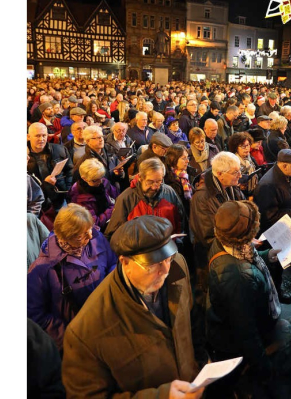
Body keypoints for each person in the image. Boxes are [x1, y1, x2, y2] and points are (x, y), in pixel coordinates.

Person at [62, 216, 204, 399]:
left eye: (167, 258)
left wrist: (199, 365)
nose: (165, 270)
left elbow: (191, 320)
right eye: (152, 265)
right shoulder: (85, 331)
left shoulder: (178, 266)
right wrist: (159, 396)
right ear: (125, 262)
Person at [205, 200, 284, 398]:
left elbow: (250, 257)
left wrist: (267, 256)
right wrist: (264, 367)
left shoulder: (228, 244)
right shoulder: (237, 277)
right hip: (233, 344)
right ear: (246, 234)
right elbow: (246, 332)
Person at [27, 203, 117, 350]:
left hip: (106, 322)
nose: (90, 235)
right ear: (66, 236)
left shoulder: (96, 238)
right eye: (82, 234)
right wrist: (69, 336)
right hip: (78, 340)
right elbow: (35, 315)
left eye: (90, 228)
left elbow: (112, 262)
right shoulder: (42, 269)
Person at [189, 152, 245, 309]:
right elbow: (206, 235)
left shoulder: (230, 187)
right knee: (212, 301)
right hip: (211, 259)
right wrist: (239, 243)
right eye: (235, 172)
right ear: (220, 174)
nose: (240, 175)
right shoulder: (201, 197)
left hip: (230, 252)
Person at [252, 148, 291, 304]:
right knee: (274, 266)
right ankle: (274, 294)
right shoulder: (269, 185)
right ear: (284, 166)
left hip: (286, 228)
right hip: (273, 234)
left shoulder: (289, 177)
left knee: (280, 265)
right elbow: (269, 216)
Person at [104, 157, 186, 239]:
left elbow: (180, 222)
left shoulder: (170, 193)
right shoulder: (126, 198)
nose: (154, 187)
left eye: (158, 181)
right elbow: (113, 234)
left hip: (167, 248)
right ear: (140, 178)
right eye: (150, 182)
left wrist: (178, 241)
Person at [27, 122, 74, 231]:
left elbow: (70, 169)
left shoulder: (59, 150)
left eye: (44, 135)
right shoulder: (26, 156)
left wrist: (66, 188)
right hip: (37, 205)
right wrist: (44, 183)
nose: (42, 139)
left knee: (66, 229)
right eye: (37, 136)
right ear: (28, 137)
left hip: (59, 198)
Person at [67, 158, 120, 233]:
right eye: (95, 180)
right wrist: (112, 210)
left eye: (101, 177)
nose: (100, 182)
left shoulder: (103, 181)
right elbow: (94, 223)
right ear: (84, 178)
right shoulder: (78, 196)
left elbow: (117, 196)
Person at [228, 131, 260, 198]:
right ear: (236, 148)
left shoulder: (250, 158)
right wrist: (239, 186)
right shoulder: (233, 162)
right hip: (241, 194)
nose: (246, 148)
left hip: (254, 192)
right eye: (243, 146)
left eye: (248, 145)